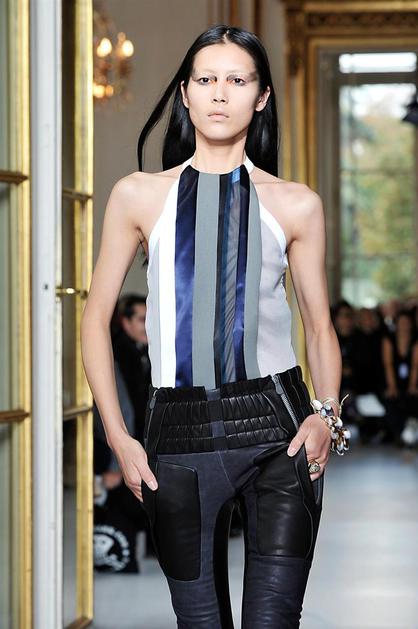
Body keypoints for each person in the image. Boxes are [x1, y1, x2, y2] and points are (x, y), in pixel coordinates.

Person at [81, 24, 350, 629]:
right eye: (205, 79)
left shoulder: (295, 203)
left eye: (237, 80)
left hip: (278, 430)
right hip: (175, 436)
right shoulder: (138, 196)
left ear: (261, 96)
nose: (220, 93)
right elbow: (95, 320)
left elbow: (319, 327)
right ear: (185, 93)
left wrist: (327, 416)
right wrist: (119, 437)